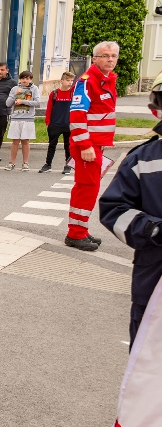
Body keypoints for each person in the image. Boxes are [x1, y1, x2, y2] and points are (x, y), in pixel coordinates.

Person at [100, 76, 162, 344]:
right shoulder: (142, 159)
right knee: (148, 359)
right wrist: (153, 229)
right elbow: (114, 209)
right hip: (154, 280)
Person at [66, 41, 119, 252]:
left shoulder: (106, 79)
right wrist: (85, 145)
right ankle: (75, 234)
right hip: (87, 146)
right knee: (86, 188)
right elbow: (77, 115)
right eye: (105, 55)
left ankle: (80, 229)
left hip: (95, 145)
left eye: (114, 56)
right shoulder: (88, 81)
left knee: (90, 188)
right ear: (95, 58)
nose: (110, 59)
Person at [4, 70, 41, 171]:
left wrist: (23, 101)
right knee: (15, 142)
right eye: (23, 78)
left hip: (28, 118)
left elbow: (37, 102)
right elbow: (7, 103)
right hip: (16, 118)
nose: (25, 80)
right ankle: (12, 163)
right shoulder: (15, 89)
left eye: (27, 78)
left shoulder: (34, 89)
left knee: (25, 141)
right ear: (20, 79)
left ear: (30, 79)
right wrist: (14, 95)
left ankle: (25, 163)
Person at [41, 71, 75, 174]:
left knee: (68, 146)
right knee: (52, 145)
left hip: (68, 124)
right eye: (68, 80)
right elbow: (49, 109)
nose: (70, 82)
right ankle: (48, 164)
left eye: (71, 80)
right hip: (55, 124)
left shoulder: (73, 94)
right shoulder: (55, 93)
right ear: (62, 81)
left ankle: (68, 165)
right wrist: (48, 122)